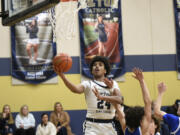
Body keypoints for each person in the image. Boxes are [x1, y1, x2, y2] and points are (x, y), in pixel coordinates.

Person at [54, 56, 122, 135]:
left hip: (109, 125)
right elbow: (75, 89)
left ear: (105, 70)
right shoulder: (88, 84)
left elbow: (120, 99)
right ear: (92, 71)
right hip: (92, 125)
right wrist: (63, 77)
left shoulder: (113, 84)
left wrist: (106, 94)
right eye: (94, 65)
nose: (97, 66)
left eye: (100, 65)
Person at [112, 68, 158, 135]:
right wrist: (142, 81)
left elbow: (118, 109)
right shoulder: (143, 130)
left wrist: (111, 90)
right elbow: (147, 102)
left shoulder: (125, 129)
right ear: (141, 122)